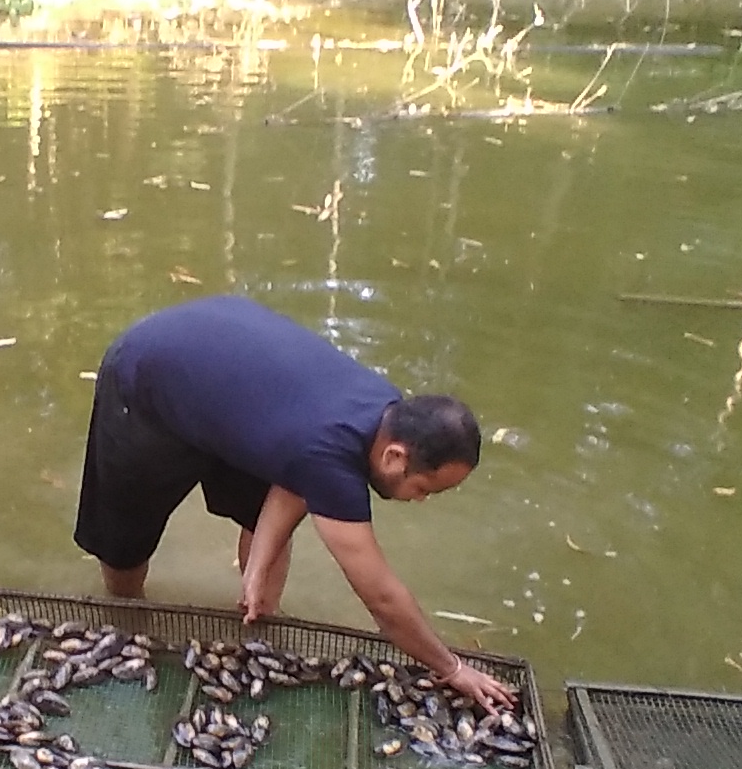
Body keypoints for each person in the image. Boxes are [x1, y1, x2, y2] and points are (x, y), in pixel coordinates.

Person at [74, 294, 516, 712]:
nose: (419, 501)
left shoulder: (385, 412)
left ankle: (257, 624)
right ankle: (127, 619)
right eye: (423, 488)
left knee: (257, 503)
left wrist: (257, 568)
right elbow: (381, 596)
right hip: (148, 377)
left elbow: (296, 478)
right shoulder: (332, 452)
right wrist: (452, 668)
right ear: (395, 456)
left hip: (227, 382)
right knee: (125, 536)